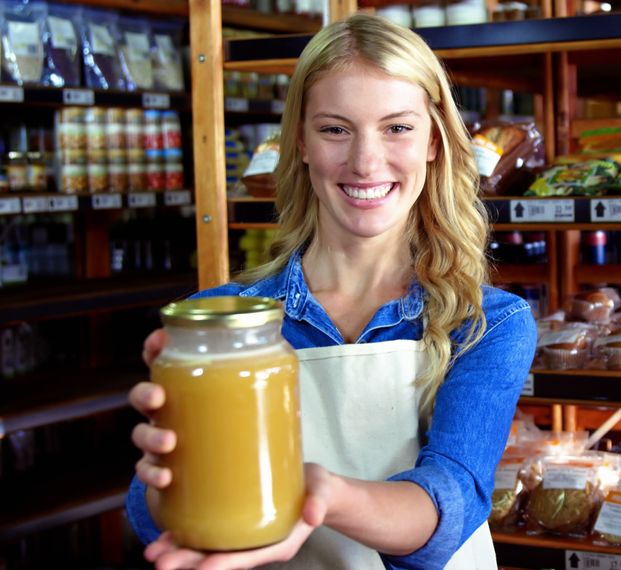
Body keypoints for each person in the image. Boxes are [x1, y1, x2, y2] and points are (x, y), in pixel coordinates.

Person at [125, 13, 536, 569]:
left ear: (435, 141)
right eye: (335, 129)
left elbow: (450, 502)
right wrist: (171, 479)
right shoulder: (221, 323)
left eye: (397, 127)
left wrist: (323, 495)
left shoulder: (488, 323)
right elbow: (155, 516)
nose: (366, 161)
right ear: (299, 142)